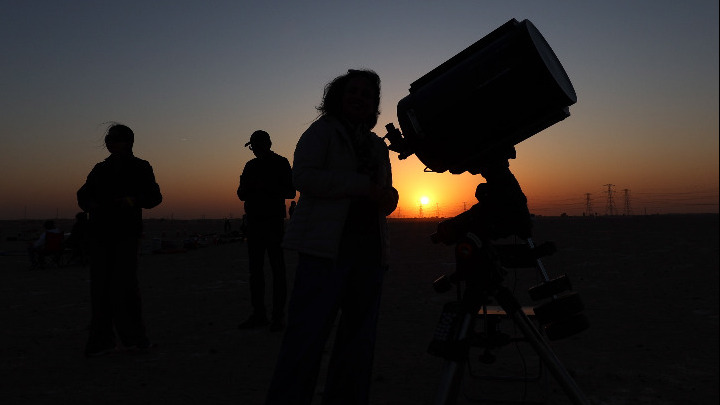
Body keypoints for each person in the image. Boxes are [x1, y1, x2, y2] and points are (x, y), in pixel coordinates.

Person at [265, 69, 398, 405]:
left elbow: (384, 191)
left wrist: (389, 197)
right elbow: (303, 177)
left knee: (358, 345)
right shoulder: (322, 132)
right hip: (325, 252)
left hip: (369, 254)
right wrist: (361, 187)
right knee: (305, 340)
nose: (359, 98)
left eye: (367, 95)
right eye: (353, 92)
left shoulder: (376, 145)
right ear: (338, 97)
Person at [77, 123, 162, 357]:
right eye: (108, 139)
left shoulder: (141, 167)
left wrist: (131, 201)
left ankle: (135, 339)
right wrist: (93, 206)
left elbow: (154, 197)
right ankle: (100, 341)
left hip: (126, 234)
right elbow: (83, 195)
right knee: (100, 288)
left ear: (128, 142)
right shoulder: (100, 169)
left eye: (114, 139)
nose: (109, 143)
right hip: (100, 233)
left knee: (125, 286)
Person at [237, 130, 296, 331]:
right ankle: (259, 315)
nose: (255, 150)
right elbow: (241, 193)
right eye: (253, 147)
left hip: (272, 224)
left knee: (277, 270)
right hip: (255, 223)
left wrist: (267, 188)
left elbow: (291, 191)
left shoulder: (280, 163)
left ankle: (277, 317)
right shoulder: (250, 166)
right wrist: (249, 189)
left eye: (257, 146)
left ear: (267, 145)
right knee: (256, 271)